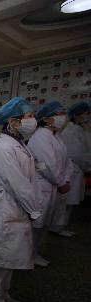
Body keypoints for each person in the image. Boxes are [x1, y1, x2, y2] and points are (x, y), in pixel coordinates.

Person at [0, 97, 41, 302]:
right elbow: (18, 184)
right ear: (13, 121)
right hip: (6, 208)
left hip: (15, 208)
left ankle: (2, 291)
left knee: (9, 255)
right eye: (28, 117)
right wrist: (34, 208)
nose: (33, 120)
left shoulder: (17, 143)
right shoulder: (4, 147)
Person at [27, 101, 70, 267]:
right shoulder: (40, 138)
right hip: (42, 185)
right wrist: (60, 182)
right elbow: (46, 165)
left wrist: (63, 180)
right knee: (36, 224)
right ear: (47, 119)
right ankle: (29, 254)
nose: (62, 117)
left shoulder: (55, 136)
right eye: (59, 114)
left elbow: (64, 161)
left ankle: (34, 253)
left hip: (52, 186)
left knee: (44, 223)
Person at [54, 101, 91, 236]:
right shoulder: (70, 131)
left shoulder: (78, 130)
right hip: (72, 170)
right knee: (66, 202)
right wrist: (86, 165)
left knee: (69, 202)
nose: (87, 117)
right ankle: (58, 227)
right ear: (77, 115)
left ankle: (61, 226)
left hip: (75, 170)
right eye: (86, 114)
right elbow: (76, 154)